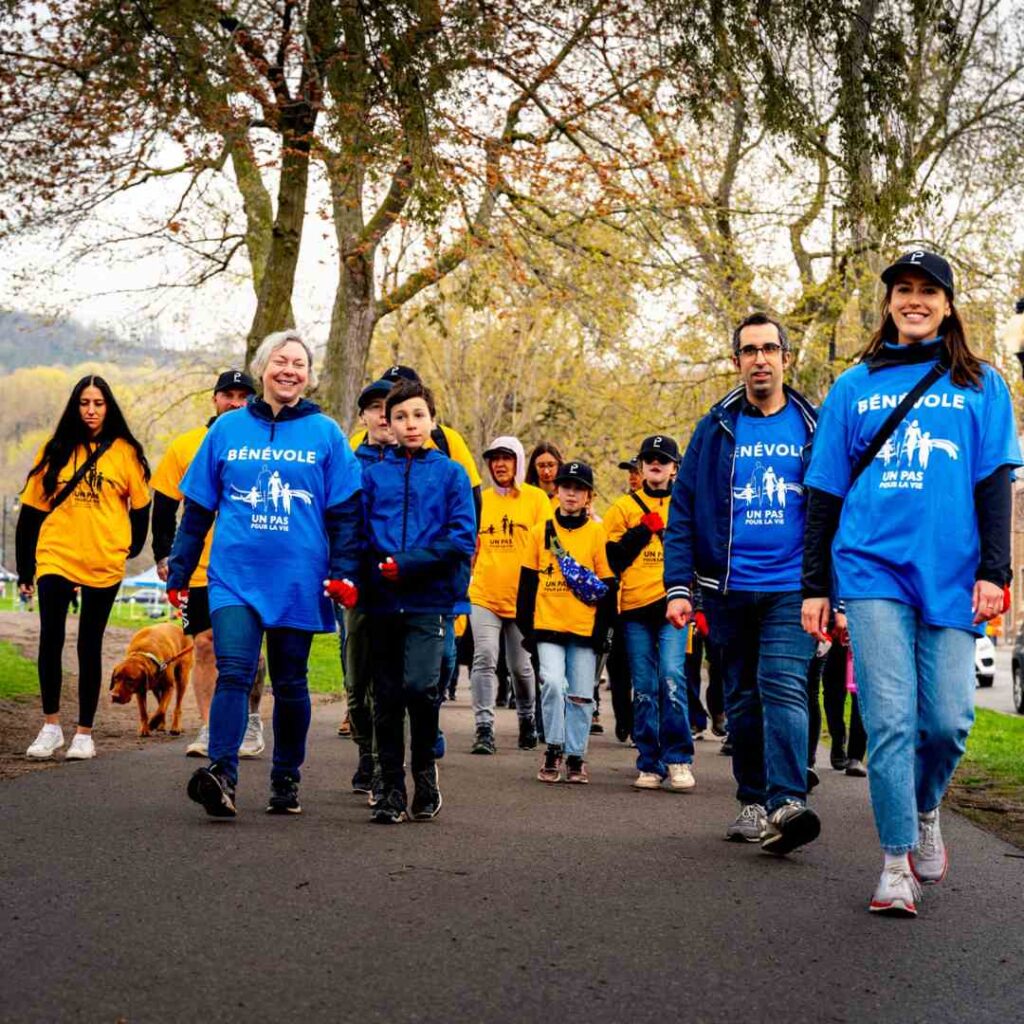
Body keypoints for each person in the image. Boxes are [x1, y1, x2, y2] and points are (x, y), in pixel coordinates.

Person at [801, 250, 1021, 916]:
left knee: (949, 721)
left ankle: (927, 809)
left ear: (949, 304)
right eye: (904, 290)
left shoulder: (982, 384)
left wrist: (995, 569)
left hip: (952, 574)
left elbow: (993, 484)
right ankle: (896, 861)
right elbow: (824, 493)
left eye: (929, 290)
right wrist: (817, 585)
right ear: (889, 302)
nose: (916, 299)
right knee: (890, 720)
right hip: (871, 571)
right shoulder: (853, 386)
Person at [167, 330, 363, 818]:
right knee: (235, 670)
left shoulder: (326, 433)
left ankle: (286, 777)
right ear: (262, 368)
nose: (289, 370)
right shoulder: (227, 430)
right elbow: (196, 510)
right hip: (234, 574)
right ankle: (223, 773)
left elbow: (344, 514)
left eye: (299, 363)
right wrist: (180, 569)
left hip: (300, 576)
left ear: (309, 375)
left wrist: (343, 572)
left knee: (291, 681)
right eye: (281, 361)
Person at [664, 312, 821, 855]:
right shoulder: (715, 427)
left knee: (782, 684)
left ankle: (787, 800)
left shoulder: (813, 424)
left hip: (792, 587)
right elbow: (683, 508)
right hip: (726, 588)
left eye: (769, 349)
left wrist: (834, 590)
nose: (760, 359)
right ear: (737, 362)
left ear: (785, 358)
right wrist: (679, 587)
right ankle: (753, 801)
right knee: (744, 699)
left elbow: (835, 510)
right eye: (749, 351)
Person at [17, 375, 151, 760]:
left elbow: (141, 508)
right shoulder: (55, 449)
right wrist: (26, 568)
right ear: (75, 407)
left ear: (109, 407)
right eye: (84, 403)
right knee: (50, 639)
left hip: (103, 559)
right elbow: (30, 513)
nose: (91, 411)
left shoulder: (125, 452)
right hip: (57, 554)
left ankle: (84, 733)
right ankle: (51, 726)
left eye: (98, 403)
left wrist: (131, 546)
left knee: (88, 644)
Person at [361, 378, 476, 823]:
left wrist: (407, 563)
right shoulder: (372, 476)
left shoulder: (451, 474)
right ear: (387, 424)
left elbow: (461, 537)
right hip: (383, 601)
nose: (410, 424)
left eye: (419, 416)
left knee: (420, 689)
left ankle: (425, 774)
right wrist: (359, 575)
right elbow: (359, 535)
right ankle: (391, 789)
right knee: (385, 696)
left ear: (432, 420)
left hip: (430, 599)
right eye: (401, 417)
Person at [151, 369, 266, 759]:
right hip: (201, 566)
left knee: (249, 650)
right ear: (215, 400)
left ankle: (249, 721)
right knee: (203, 645)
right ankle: (210, 727)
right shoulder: (187, 445)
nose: (235, 403)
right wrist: (164, 555)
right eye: (227, 395)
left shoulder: (265, 441)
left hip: (251, 564)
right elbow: (164, 506)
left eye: (243, 396)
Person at [605, 435, 696, 791]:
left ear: (675, 468)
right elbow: (611, 560)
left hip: (675, 608)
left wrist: (699, 605)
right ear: (640, 467)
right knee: (643, 686)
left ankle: (679, 759)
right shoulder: (622, 509)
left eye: (663, 459)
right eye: (649, 459)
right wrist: (643, 529)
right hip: (634, 610)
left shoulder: (686, 507)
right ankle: (648, 762)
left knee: (672, 677)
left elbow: (699, 555)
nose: (656, 464)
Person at [517, 461, 616, 784]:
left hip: (584, 628)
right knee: (553, 683)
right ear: (556, 491)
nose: (571, 493)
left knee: (581, 694)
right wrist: (528, 631)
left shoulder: (597, 532)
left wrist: (603, 632)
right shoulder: (539, 532)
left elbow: (606, 585)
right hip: (547, 625)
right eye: (565, 487)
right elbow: (527, 584)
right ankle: (554, 747)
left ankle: (576, 755)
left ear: (588, 496)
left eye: (578, 488)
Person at [468, 435, 552, 754]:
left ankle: (527, 719)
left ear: (518, 461)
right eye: (494, 459)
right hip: (484, 593)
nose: (499, 464)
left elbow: (546, 547)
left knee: (521, 667)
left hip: (523, 599)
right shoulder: (482, 500)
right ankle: (484, 728)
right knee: (485, 657)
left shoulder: (535, 499)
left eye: (506, 458)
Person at [341, 376, 399, 797]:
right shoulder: (347, 460)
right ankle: (366, 752)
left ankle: (384, 765)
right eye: (375, 407)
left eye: (389, 407)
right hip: (357, 586)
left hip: (401, 587)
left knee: (389, 684)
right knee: (356, 685)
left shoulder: (415, 462)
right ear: (363, 415)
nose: (382, 415)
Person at [525, 442, 564, 506]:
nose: (546, 471)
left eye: (551, 465)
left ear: (558, 465)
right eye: (541, 466)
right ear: (534, 466)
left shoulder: (566, 498)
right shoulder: (526, 496)